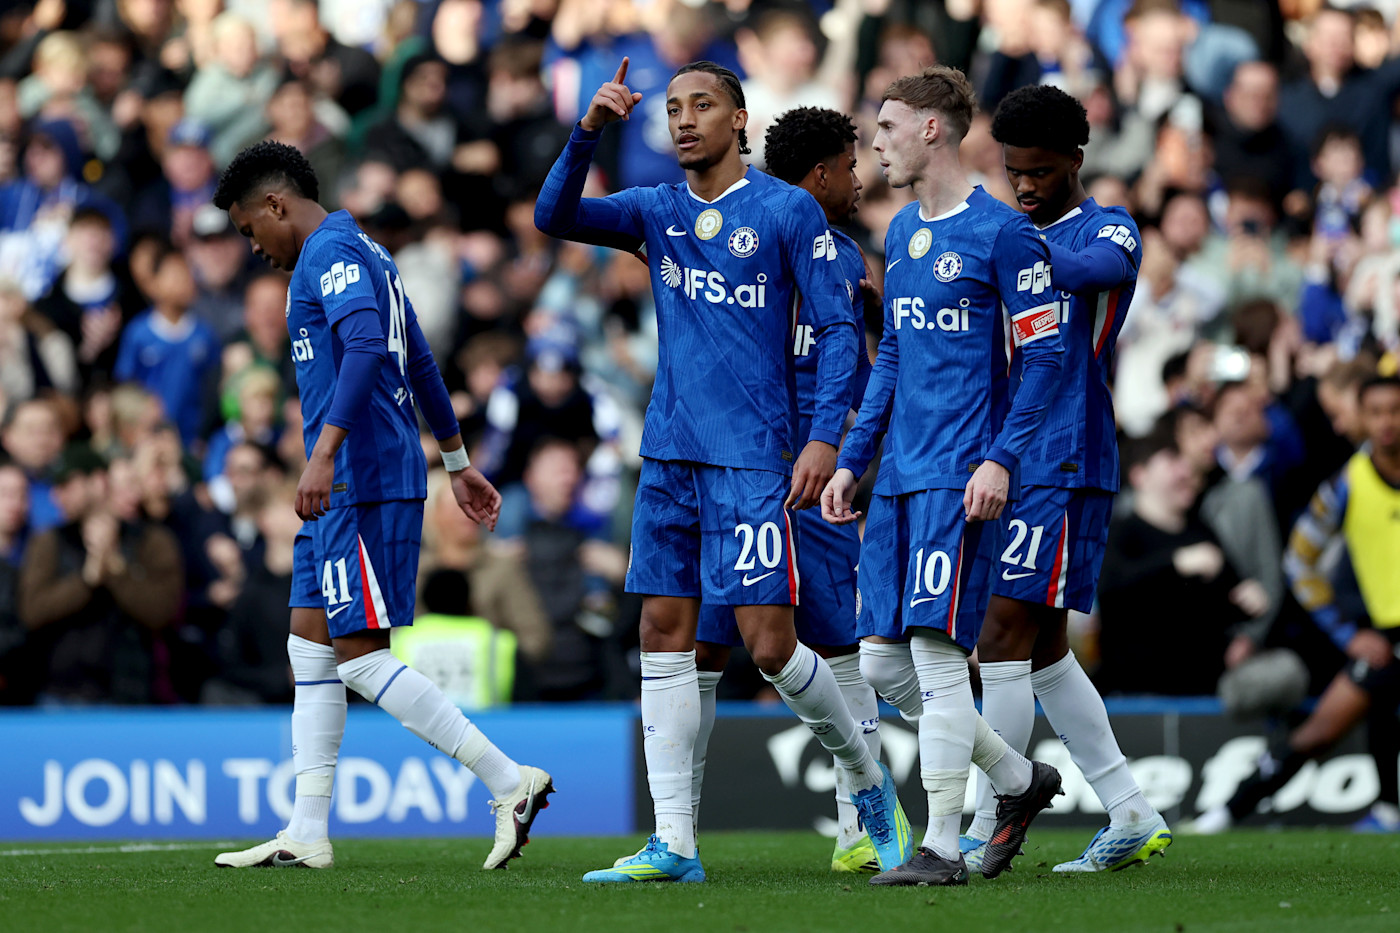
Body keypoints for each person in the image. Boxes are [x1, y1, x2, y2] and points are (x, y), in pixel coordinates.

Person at [536, 58, 908, 883]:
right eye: (672, 109)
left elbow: (841, 335)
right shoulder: (654, 211)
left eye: (701, 105)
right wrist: (589, 128)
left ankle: (867, 775)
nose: (683, 119)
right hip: (669, 455)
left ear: (739, 120)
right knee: (662, 638)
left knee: (770, 647)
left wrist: (822, 441)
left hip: (753, 462)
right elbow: (552, 213)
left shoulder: (786, 213)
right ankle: (675, 842)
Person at [209, 141, 552, 872]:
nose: (254, 248)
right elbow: (420, 359)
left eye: (248, 230)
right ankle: (307, 828)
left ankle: (507, 780)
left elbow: (368, 345)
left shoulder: (329, 252)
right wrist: (458, 463)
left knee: (359, 658)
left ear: (275, 205)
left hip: (357, 479)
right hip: (350, 481)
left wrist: (325, 453)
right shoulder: (365, 247)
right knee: (310, 642)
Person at [821, 65, 1065, 887]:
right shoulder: (902, 234)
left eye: (885, 128)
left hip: (960, 476)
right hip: (895, 478)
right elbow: (890, 352)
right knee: (883, 664)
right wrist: (856, 459)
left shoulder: (1003, 233)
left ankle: (943, 845)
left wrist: (1001, 456)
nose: (875, 144)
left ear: (932, 128)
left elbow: (1047, 355)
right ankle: (1019, 778)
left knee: (931, 652)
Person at [960, 84, 1171, 874]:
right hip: (1011, 454)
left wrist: (1020, 249)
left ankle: (989, 822)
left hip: (1065, 455)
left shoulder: (1106, 224)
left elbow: (1103, 264)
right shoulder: (1007, 229)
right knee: (1043, 648)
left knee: (1000, 636)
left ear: (1076, 161)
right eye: (1015, 171)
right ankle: (1129, 809)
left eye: (1041, 172)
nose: (1025, 185)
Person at [687, 105, 884, 874]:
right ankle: (682, 828)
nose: (859, 179)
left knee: (823, 644)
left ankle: (854, 825)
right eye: (849, 163)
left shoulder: (827, 254)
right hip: (775, 468)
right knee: (797, 646)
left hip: (778, 470)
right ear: (820, 174)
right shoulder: (802, 244)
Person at [1191, 375, 1400, 835]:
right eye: (1378, 411)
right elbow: (1299, 562)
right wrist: (1348, 633)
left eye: (1396, 410)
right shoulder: (1346, 484)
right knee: (1319, 732)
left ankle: (1388, 810)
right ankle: (1229, 812)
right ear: (1363, 417)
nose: (1388, 422)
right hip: (1384, 638)